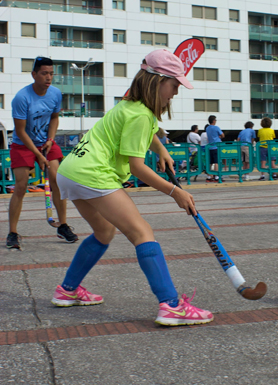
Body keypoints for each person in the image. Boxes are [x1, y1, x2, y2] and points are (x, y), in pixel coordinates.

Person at [51, 49, 213, 327]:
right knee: (141, 232)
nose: (175, 92)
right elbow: (138, 168)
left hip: (70, 170)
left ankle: (67, 290)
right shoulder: (141, 115)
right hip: (93, 173)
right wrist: (176, 193)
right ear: (158, 81)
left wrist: (160, 148)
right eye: (174, 85)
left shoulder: (128, 106)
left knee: (104, 232)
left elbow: (140, 133)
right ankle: (171, 305)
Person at [6, 56, 78, 250]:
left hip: (46, 142)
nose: (49, 77)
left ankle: (62, 226)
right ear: (34, 74)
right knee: (21, 186)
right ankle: (12, 232)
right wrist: (38, 155)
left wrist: (51, 139)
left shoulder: (55, 94)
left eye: (51, 74)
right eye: (44, 73)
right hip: (23, 144)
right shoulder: (22, 98)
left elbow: (54, 118)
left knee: (58, 180)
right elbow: (20, 131)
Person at [205, 115, 225, 182]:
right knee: (217, 162)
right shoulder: (216, 128)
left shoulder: (207, 128)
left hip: (210, 146)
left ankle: (209, 176)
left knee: (210, 162)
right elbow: (222, 135)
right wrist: (219, 137)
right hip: (216, 146)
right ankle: (216, 176)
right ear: (213, 121)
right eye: (215, 120)